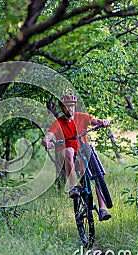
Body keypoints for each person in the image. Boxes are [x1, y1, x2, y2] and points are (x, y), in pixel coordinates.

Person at [42, 93, 112, 221]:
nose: (70, 109)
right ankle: (72, 187)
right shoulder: (58, 123)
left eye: (72, 106)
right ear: (62, 108)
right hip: (70, 158)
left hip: (83, 153)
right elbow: (47, 137)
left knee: (97, 174)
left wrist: (103, 122)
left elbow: (95, 121)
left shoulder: (81, 117)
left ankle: (102, 210)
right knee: (68, 150)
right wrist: (48, 142)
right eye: (67, 106)